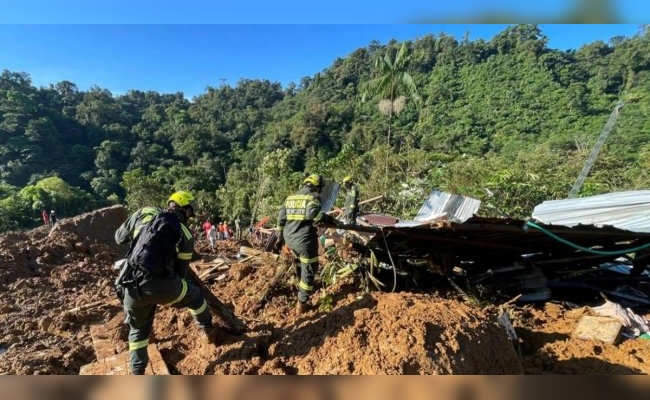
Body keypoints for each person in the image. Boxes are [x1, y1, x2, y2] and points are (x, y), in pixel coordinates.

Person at [114, 190, 216, 375]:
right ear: (184, 209)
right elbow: (181, 272)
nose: (190, 216)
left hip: (129, 283)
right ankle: (208, 331)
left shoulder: (144, 212)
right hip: (160, 286)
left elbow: (119, 238)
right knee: (195, 297)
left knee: (138, 332)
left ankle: (137, 373)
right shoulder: (184, 232)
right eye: (190, 212)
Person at [276, 174, 341, 314]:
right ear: (316, 187)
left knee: (300, 263)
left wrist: (280, 238)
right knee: (310, 267)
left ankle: (302, 286)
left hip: (290, 240)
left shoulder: (290, 198)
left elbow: (281, 220)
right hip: (304, 241)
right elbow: (312, 214)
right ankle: (302, 302)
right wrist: (327, 219)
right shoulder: (313, 197)